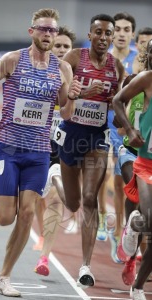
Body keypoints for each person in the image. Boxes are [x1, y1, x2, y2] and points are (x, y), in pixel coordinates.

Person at [0, 8, 82, 297]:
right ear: (31, 31)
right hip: (9, 148)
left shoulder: (63, 69)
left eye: (52, 30)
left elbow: (67, 113)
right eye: (43, 29)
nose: (48, 34)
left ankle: (4, 276)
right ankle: (1, 187)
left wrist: (70, 98)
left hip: (38, 152)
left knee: (28, 214)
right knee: (4, 218)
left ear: (56, 34)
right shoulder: (13, 60)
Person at [53, 14, 124, 288]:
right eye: (99, 32)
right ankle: (55, 175)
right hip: (72, 134)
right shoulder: (73, 58)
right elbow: (59, 101)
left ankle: (85, 265)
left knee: (90, 198)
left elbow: (121, 109)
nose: (104, 37)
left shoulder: (116, 67)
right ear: (90, 34)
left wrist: (119, 114)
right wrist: (82, 93)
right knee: (72, 204)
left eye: (108, 33)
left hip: (96, 138)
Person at [34, 26, 78, 276]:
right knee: (36, 198)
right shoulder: (37, 70)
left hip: (64, 145)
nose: (61, 50)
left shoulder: (75, 76)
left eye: (66, 47)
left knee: (54, 200)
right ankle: (42, 234)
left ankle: (45, 257)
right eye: (57, 45)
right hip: (36, 142)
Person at [113, 40, 152, 300]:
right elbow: (117, 101)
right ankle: (134, 225)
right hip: (146, 164)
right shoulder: (147, 79)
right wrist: (129, 129)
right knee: (149, 219)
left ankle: (137, 286)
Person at [105, 12, 137, 263]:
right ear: (111, 32)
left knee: (121, 175)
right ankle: (113, 226)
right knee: (102, 176)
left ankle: (122, 229)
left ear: (132, 34)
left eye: (127, 29)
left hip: (121, 124)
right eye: (118, 29)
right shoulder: (103, 57)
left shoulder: (139, 60)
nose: (122, 33)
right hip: (97, 120)